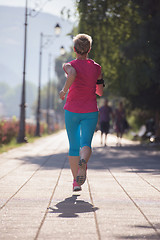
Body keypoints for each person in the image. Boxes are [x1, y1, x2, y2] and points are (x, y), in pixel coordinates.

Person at [59, 34, 104, 191]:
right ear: (89, 49)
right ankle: (83, 160)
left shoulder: (69, 65)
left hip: (72, 110)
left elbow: (72, 74)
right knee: (85, 143)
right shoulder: (97, 68)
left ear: (74, 49)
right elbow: (100, 92)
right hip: (90, 111)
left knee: (73, 146)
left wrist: (64, 91)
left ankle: (76, 183)